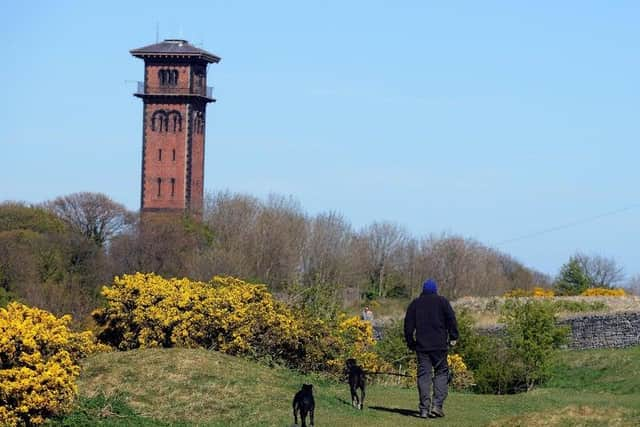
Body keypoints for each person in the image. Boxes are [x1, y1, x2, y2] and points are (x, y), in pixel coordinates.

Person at [404, 279, 458, 419]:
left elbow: (408, 326)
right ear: (435, 290)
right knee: (441, 373)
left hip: (422, 347)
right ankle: (437, 406)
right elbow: (451, 319)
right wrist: (453, 337)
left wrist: (411, 342)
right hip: (440, 346)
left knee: (424, 376)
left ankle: (423, 409)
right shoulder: (442, 302)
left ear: (423, 290)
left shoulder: (415, 304)